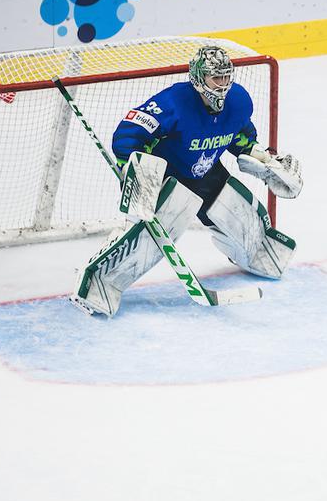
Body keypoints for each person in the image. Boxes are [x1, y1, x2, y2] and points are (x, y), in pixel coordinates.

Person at [71, 45, 303, 316]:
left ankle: (256, 255)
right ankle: (98, 282)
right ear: (197, 78)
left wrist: (263, 159)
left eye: (227, 77)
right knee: (148, 241)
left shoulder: (238, 100)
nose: (223, 85)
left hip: (206, 172)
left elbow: (240, 134)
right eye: (216, 78)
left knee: (242, 219)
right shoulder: (173, 103)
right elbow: (127, 134)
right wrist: (135, 171)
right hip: (168, 177)